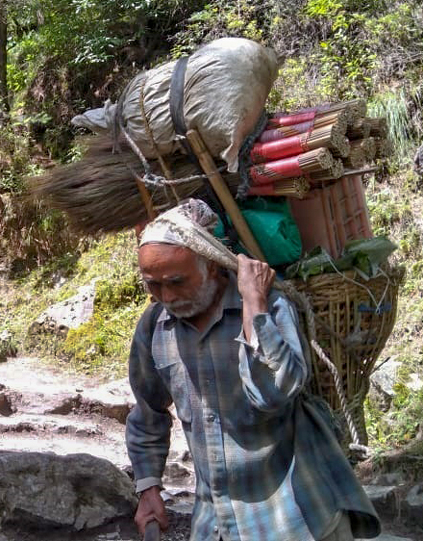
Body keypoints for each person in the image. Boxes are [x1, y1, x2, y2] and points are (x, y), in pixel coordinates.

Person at [127, 199, 380, 541]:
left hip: (296, 518)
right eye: (153, 285)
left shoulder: (271, 307)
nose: (166, 296)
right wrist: (148, 487)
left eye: (176, 282)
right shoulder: (154, 327)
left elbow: (272, 394)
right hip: (216, 524)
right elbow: (147, 414)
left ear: (213, 266)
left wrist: (254, 305)